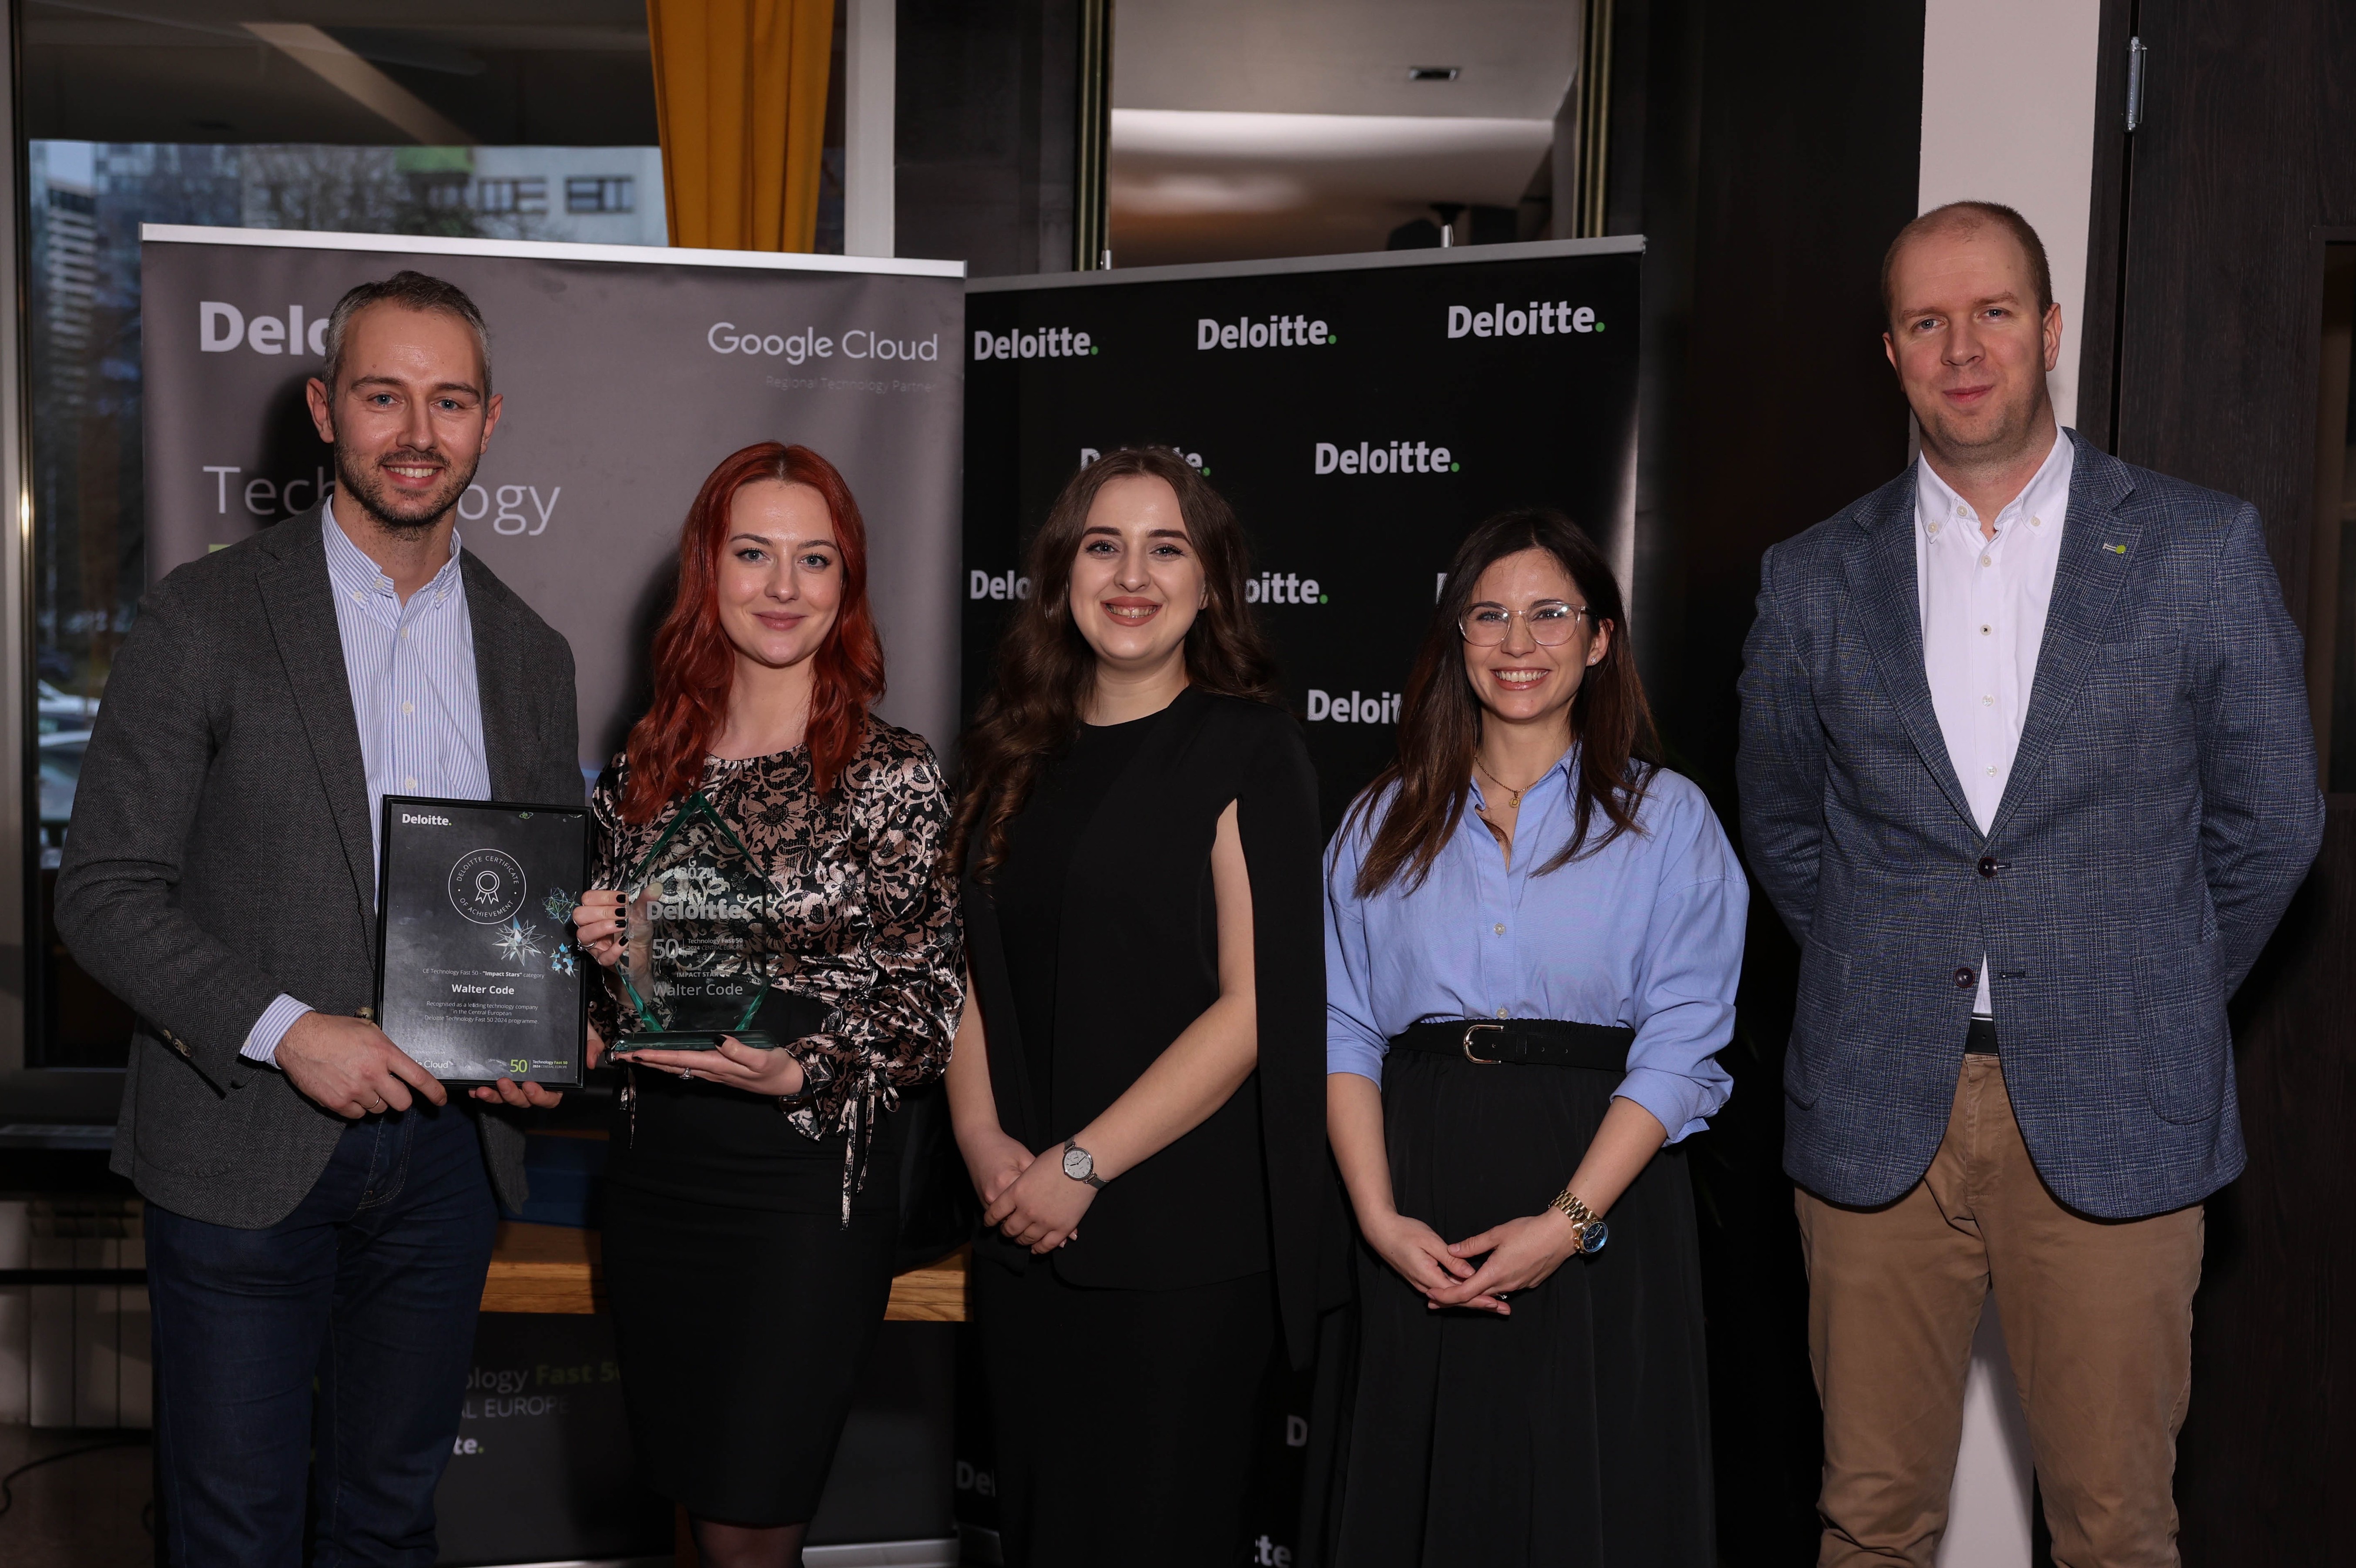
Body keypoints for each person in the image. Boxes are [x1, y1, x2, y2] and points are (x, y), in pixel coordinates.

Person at [1738, 201, 2326, 1566]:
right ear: (1890, 352)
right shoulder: (1814, 576)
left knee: (2119, 1530)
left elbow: (2274, 823)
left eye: (1993, 312)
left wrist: (2152, 977)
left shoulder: (2198, 547)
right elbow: (1783, 821)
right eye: (1927, 321)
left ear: (2050, 330)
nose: (1963, 348)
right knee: (1867, 1522)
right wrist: (1892, 960)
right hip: (1879, 1105)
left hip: (2122, 1101)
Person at [54, 271, 578, 1564]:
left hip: (450, 1164)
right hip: (243, 1142)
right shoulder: (204, 613)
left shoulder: (533, 652)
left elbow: (519, 900)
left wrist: (544, 1012)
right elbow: (105, 891)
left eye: (448, 400)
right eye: (383, 394)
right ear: (323, 410)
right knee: (230, 1529)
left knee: (388, 1519)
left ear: (489, 421)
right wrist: (289, 1030)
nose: (417, 429)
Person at [1322, 509, 1744, 1566]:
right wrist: (1376, 1218)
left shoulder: (1670, 820)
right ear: (1456, 642)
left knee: (1584, 1509)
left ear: (1599, 639)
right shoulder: (1377, 820)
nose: (1518, 644)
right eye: (1490, 617)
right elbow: (1341, 1029)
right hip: (1411, 1201)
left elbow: (1683, 1044)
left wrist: (1565, 1224)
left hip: (1602, 1202)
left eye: (1549, 615)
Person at [569, 441, 961, 1568]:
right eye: (754, 553)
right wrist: (597, 968)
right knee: (693, 1517)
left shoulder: (889, 771)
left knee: (751, 1531)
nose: (784, 587)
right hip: (656, 1181)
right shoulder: (644, 769)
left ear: (847, 585)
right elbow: (628, 1009)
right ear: (710, 567)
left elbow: (930, 998)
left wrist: (801, 1068)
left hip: (802, 1188)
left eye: (814, 558)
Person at [944, 447, 1326, 1567]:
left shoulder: (1251, 751)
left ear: (1211, 584)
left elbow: (1254, 1010)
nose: (1133, 574)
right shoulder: (1010, 751)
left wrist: (1082, 1165)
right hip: (1020, 1232)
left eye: (1169, 548)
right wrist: (983, 1144)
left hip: (1180, 1253)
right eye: (1103, 545)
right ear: (1062, 575)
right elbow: (966, 969)